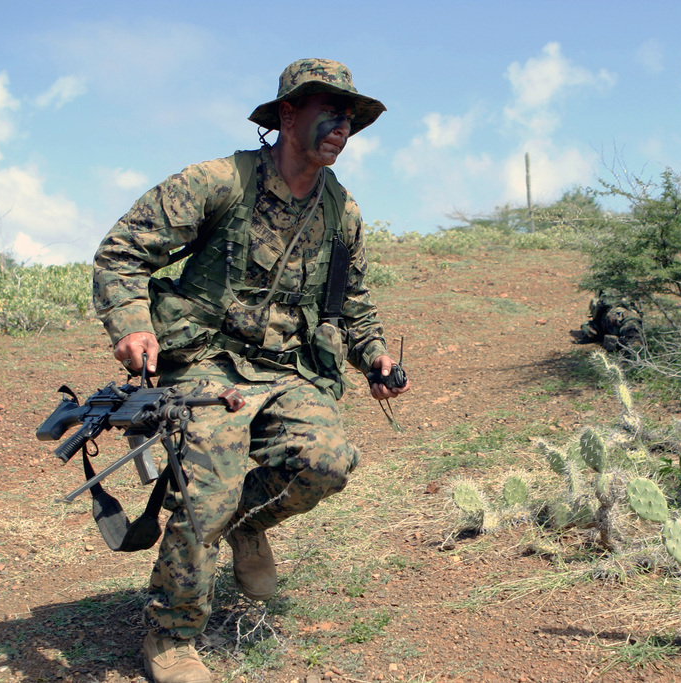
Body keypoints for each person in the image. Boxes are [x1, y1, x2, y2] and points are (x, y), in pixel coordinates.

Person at [92, 58, 410, 683]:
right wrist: (132, 324)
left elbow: (350, 305)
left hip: (287, 370)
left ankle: (246, 526)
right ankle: (172, 634)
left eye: (350, 117)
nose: (342, 126)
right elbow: (122, 251)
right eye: (329, 111)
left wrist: (374, 355)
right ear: (287, 115)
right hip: (206, 361)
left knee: (328, 462)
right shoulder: (219, 182)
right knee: (209, 481)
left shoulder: (341, 214)